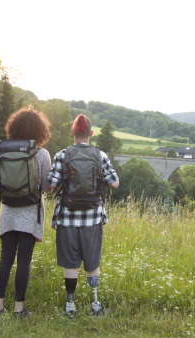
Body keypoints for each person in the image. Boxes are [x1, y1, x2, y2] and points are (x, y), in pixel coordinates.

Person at [47, 114, 119, 317]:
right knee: (92, 260)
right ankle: (95, 306)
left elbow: (50, 186)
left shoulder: (62, 155)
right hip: (93, 217)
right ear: (91, 134)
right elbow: (114, 183)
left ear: (73, 132)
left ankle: (70, 307)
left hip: (67, 217)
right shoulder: (100, 155)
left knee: (70, 262)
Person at [0, 106, 52, 317]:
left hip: (8, 210)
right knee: (24, 259)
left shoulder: (3, 150)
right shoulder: (42, 153)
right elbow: (46, 186)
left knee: (5, 257)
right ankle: (19, 308)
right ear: (39, 130)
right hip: (29, 212)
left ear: (13, 127)